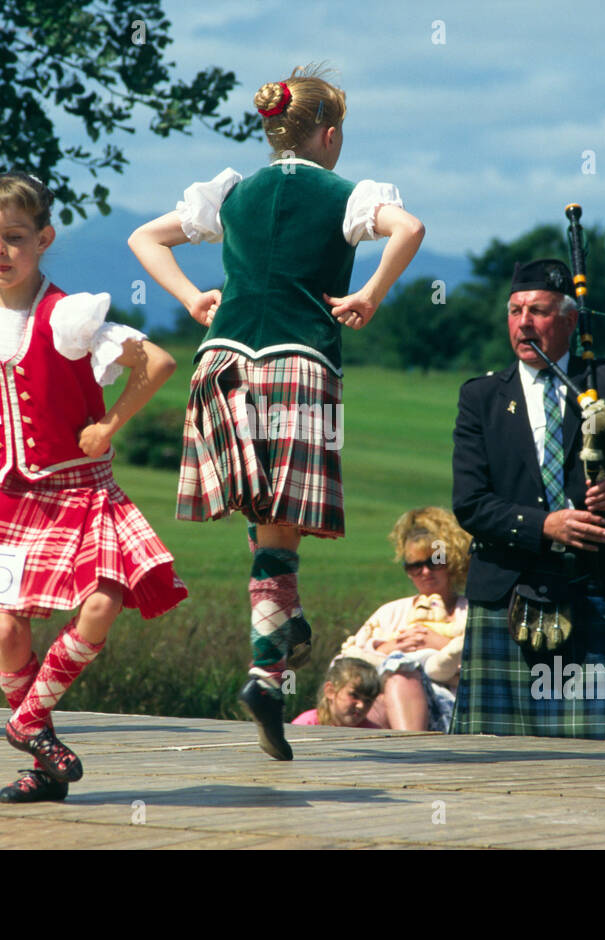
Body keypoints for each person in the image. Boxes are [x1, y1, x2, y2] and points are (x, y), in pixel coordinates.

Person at [128, 65, 425, 760]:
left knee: (267, 522)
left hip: (222, 361)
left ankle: (285, 637)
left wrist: (192, 297)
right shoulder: (344, 194)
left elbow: (145, 238)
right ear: (329, 135)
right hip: (298, 363)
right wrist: (371, 295)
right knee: (279, 531)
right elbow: (408, 228)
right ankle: (268, 670)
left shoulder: (232, 191)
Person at [0, 172, 187, 804]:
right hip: (4, 492)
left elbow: (158, 363)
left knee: (102, 602)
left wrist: (110, 424)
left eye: (14, 237)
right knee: (8, 630)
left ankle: (26, 720)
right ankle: (40, 768)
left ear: (43, 238)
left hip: (76, 490)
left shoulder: (69, 318)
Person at [450, 257, 605, 746]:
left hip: (590, 588)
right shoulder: (482, 397)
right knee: (491, 764)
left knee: (598, 760)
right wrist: (543, 525)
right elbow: (469, 504)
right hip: (505, 596)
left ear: (570, 320)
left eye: (538, 310)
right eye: (515, 311)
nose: (523, 322)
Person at [339, 507, 469, 731]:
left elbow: (490, 668)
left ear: (452, 561)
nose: (425, 572)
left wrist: (439, 644)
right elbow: (347, 664)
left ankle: (410, 752)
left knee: (401, 676)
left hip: (454, 708)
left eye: (434, 562)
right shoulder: (390, 612)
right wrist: (390, 646)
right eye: (415, 566)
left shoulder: (470, 612)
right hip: (386, 707)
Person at [291, 658, 382, 728]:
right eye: (354, 695)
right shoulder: (305, 726)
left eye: (368, 701)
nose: (361, 705)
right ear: (330, 691)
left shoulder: (372, 733)